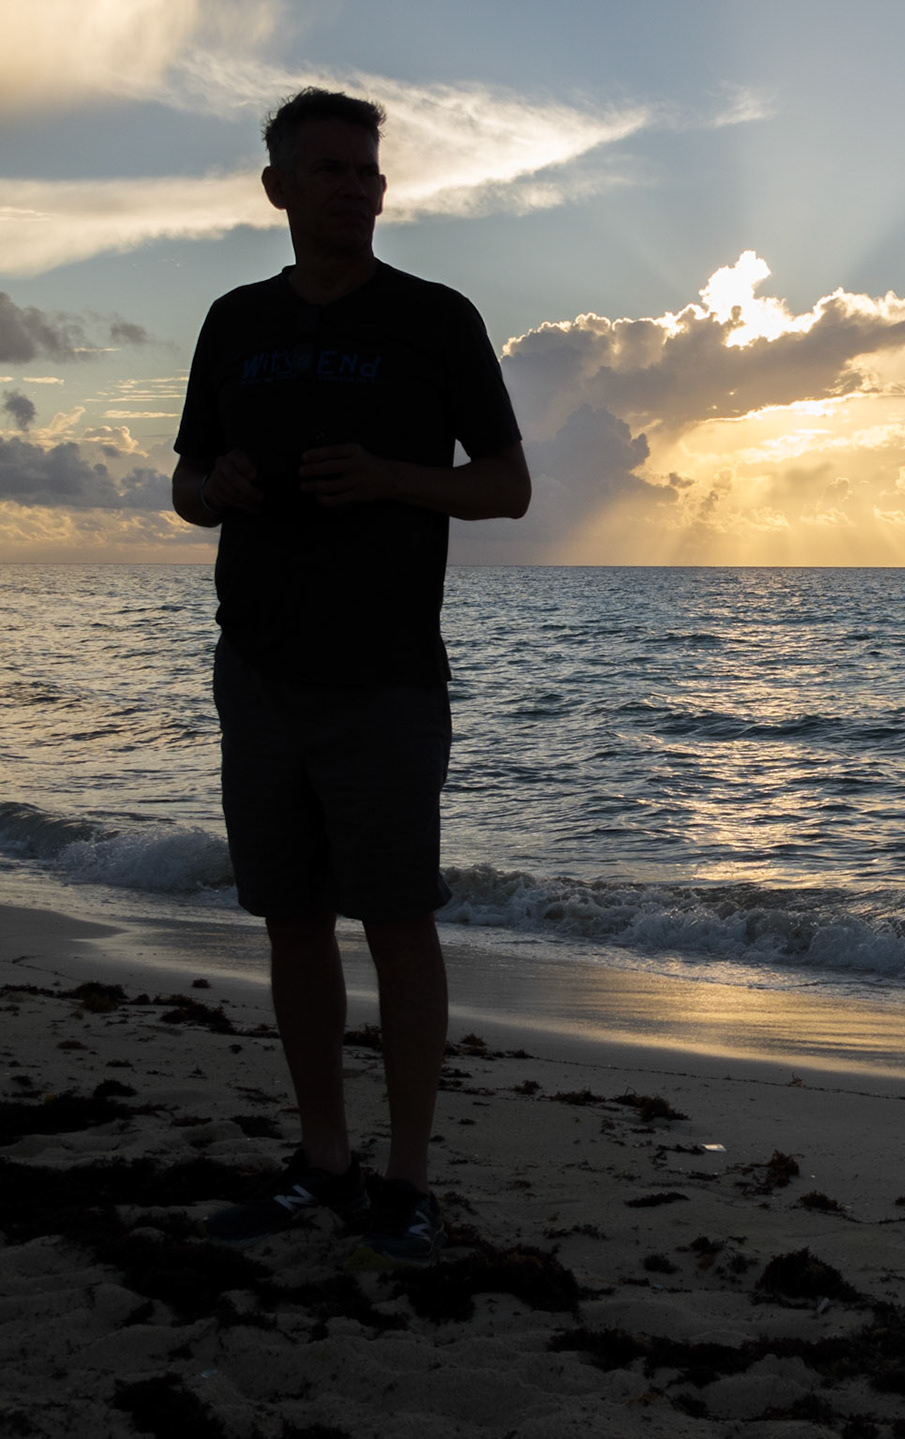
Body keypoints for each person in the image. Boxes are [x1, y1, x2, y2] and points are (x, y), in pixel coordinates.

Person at [171, 88, 530, 1268]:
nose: (355, 186)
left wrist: (387, 475)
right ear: (277, 187)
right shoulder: (233, 322)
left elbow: (507, 485)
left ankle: (407, 1177)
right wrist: (210, 488)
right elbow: (184, 483)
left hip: (384, 674)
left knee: (398, 920)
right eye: (327, 169)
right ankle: (321, 1159)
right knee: (290, 920)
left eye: (367, 169)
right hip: (259, 667)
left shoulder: (434, 318)